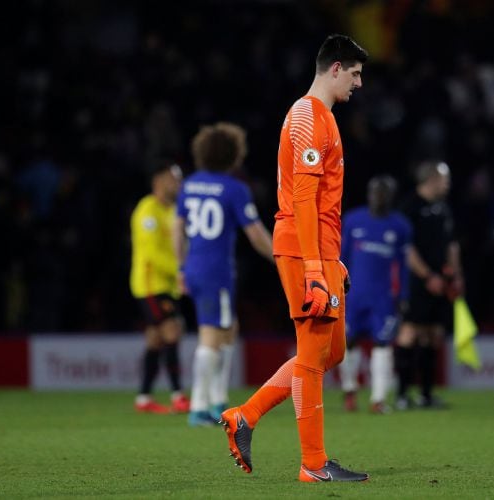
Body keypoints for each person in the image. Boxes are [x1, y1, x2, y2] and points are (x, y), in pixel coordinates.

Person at [219, 34, 369, 482]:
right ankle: (314, 463)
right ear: (336, 68)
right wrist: (313, 271)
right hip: (302, 251)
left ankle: (245, 415)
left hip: (321, 251)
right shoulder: (307, 116)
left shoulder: (323, 117)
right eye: (356, 74)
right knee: (311, 354)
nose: (359, 84)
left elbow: (322, 204)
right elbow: (303, 201)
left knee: (332, 352)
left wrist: (332, 261)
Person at [173, 122, 274, 427]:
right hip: (217, 271)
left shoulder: (189, 185)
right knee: (212, 334)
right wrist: (281, 258)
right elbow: (256, 234)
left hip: (195, 267)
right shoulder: (235, 188)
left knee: (229, 329)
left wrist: (180, 267)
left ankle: (217, 400)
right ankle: (200, 407)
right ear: (234, 154)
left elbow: (177, 230)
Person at [338, 175, 411, 414]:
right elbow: (342, 258)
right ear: (369, 194)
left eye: (384, 193)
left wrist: (403, 296)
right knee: (349, 342)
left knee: (383, 344)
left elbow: (403, 265)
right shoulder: (353, 220)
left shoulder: (400, 226)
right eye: (375, 192)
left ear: (391, 197)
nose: (379, 197)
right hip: (353, 295)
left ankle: (378, 399)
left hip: (383, 298)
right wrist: (336, 289)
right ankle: (349, 390)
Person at [396, 160, 463, 410]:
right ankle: (402, 394)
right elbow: (406, 248)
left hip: (441, 279)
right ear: (432, 179)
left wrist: (456, 275)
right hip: (416, 279)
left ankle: (426, 394)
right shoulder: (409, 207)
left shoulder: (443, 207)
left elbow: (452, 243)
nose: (448, 184)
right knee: (411, 330)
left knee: (433, 334)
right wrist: (426, 276)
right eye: (445, 179)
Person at [129, 160, 190, 414]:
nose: (176, 184)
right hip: (150, 285)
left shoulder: (174, 211)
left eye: (178, 179)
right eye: (171, 179)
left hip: (167, 285)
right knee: (172, 330)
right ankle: (178, 396)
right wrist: (182, 272)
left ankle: (143, 398)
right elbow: (152, 253)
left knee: (155, 339)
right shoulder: (148, 211)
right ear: (157, 182)